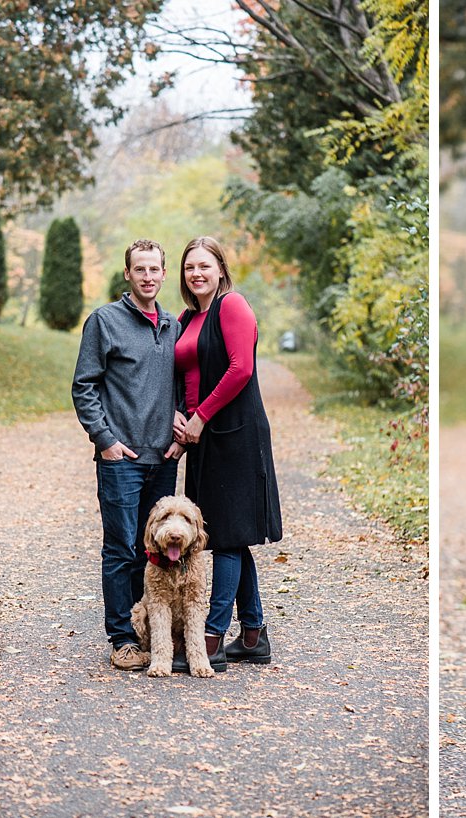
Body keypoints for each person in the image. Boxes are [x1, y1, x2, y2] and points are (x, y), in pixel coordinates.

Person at [72, 238, 184, 670]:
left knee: (155, 552)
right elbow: (84, 385)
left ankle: (151, 633)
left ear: (163, 272)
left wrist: (182, 427)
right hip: (121, 460)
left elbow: (180, 386)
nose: (149, 277)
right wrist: (105, 439)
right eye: (140, 269)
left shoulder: (173, 325)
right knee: (121, 549)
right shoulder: (105, 321)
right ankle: (122, 639)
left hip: (164, 459)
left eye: (155, 269)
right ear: (128, 274)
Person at [171, 236, 282, 671]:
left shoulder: (232, 306)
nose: (196, 273)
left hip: (234, 435)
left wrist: (200, 417)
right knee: (226, 534)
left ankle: (211, 638)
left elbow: (241, 369)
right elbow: (184, 375)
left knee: (227, 537)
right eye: (189, 268)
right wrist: (182, 418)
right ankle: (252, 636)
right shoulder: (186, 317)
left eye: (204, 265)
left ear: (220, 268)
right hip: (203, 439)